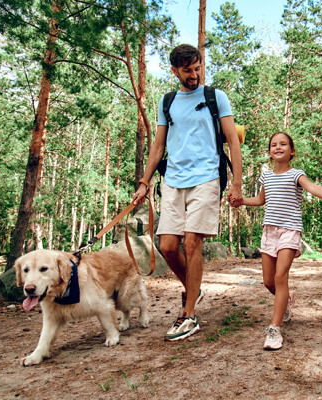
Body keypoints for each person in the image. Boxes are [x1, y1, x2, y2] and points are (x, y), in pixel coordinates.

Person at [132, 44, 244, 341]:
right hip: (173, 180)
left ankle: (189, 313)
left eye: (197, 68)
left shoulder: (215, 97)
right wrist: (144, 182)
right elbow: (158, 146)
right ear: (175, 71)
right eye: (187, 70)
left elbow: (233, 141)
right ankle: (195, 289)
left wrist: (236, 183)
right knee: (168, 246)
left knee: (192, 242)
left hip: (207, 177)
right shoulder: (167, 102)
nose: (194, 75)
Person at [231, 132, 322, 350]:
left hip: (290, 231)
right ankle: (287, 299)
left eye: (283, 144)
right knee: (269, 282)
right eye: (274, 145)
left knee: (280, 276)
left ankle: (274, 329)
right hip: (269, 231)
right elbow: (260, 200)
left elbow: (313, 188)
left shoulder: (297, 175)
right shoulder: (266, 176)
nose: (278, 147)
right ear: (269, 152)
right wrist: (241, 201)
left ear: (291, 151)